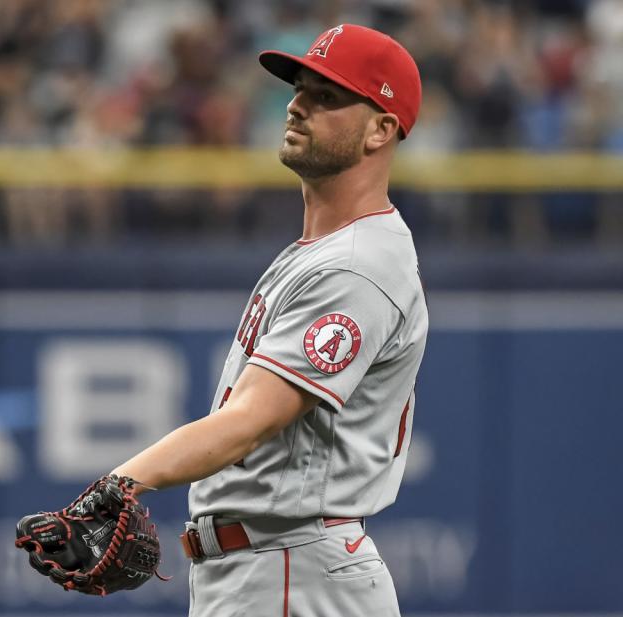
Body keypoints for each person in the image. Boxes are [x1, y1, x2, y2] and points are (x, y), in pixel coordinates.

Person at [111, 24, 428, 616]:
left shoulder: (356, 266)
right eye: (300, 88)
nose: (297, 105)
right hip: (276, 568)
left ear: (382, 129)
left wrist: (121, 485)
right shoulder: (327, 250)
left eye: (328, 97)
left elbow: (251, 420)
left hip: (291, 570)